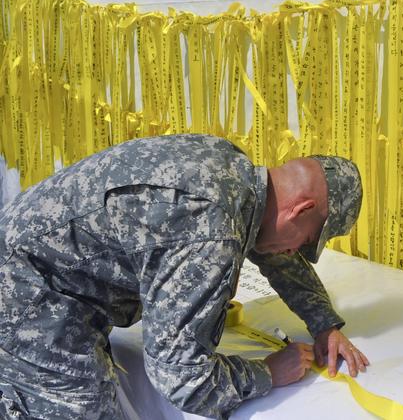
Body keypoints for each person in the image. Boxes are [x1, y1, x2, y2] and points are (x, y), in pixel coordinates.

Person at [0, 133, 368, 419]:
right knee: (83, 407)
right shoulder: (212, 232)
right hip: (26, 291)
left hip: (34, 258)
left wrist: (323, 323)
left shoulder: (232, 168)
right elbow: (180, 376)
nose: (294, 252)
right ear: (301, 208)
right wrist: (268, 373)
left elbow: (269, 243)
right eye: (303, 241)